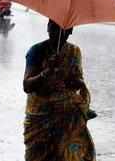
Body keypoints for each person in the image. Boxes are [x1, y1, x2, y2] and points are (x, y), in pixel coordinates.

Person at [22, 20, 96, 161]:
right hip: (40, 117)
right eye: (53, 27)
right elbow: (27, 86)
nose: (56, 33)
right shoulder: (36, 51)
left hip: (67, 116)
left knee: (70, 156)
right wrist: (47, 72)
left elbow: (77, 82)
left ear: (70, 31)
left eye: (61, 30)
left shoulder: (74, 52)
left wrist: (70, 79)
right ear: (48, 28)